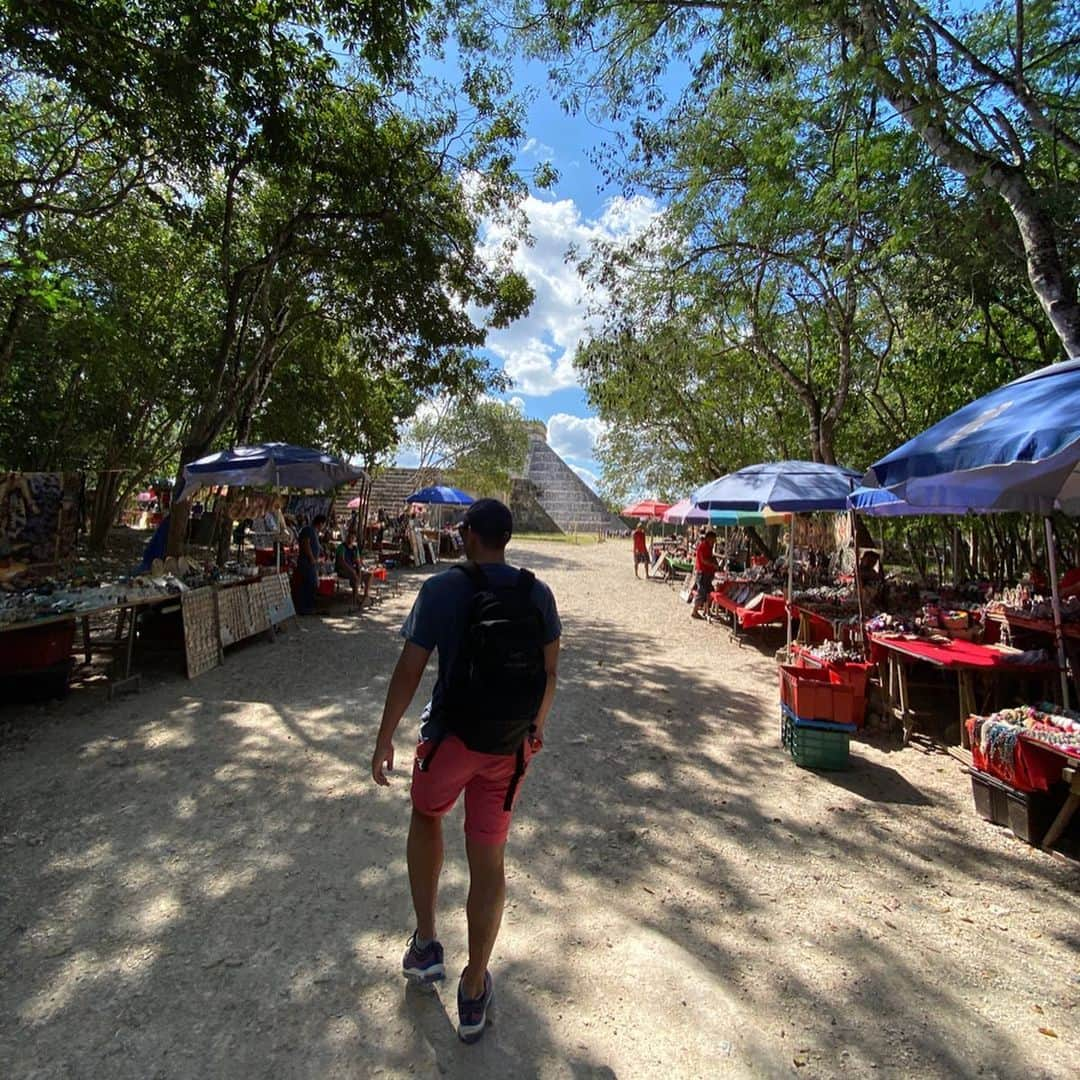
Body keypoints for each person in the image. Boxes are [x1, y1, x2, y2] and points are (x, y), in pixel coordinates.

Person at [370, 498, 561, 1044]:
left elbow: (411, 667)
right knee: (488, 860)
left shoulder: (443, 589)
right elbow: (550, 672)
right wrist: (534, 728)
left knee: (426, 816)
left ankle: (428, 943)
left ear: (469, 535)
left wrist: (385, 736)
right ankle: (474, 986)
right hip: (506, 750)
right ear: (506, 538)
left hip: (449, 740)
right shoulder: (536, 593)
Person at [294, 513, 326, 615]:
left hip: (311, 563)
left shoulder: (315, 532)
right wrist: (311, 558)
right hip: (306, 562)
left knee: (310, 584)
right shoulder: (308, 530)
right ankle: (304, 608)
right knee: (309, 584)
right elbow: (306, 543)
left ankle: (308, 607)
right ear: (320, 523)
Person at [335, 528, 372, 610]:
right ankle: (355, 600)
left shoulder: (355, 549)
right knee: (354, 577)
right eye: (349, 537)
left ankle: (366, 596)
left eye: (353, 538)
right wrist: (353, 572)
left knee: (369, 575)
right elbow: (341, 562)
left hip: (353, 569)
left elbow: (358, 561)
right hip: (342, 570)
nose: (351, 539)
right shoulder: (341, 547)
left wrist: (358, 571)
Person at [692, 528, 719, 620]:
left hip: (708, 572)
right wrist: (713, 564)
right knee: (701, 592)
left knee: (708, 592)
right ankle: (694, 611)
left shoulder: (709, 547)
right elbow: (703, 560)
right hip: (702, 572)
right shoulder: (703, 546)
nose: (714, 542)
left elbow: (710, 557)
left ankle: (706, 610)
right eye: (713, 540)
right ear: (709, 538)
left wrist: (714, 561)